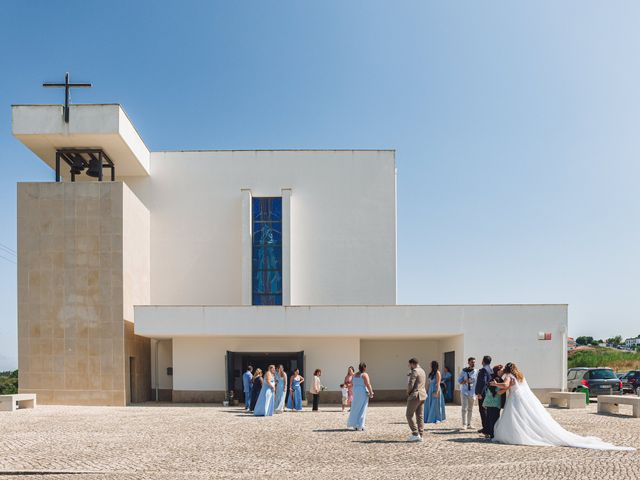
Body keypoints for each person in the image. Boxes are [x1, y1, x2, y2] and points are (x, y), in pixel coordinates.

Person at [493, 363, 634, 451]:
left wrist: (495, 385)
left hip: (515, 399)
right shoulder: (519, 376)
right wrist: (501, 390)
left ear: (507, 368)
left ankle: (517, 434)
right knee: (524, 417)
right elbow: (511, 386)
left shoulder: (507, 374)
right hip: (521, 398)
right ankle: (524, 431)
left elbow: (506, 385)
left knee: (515, 416)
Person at [406, 357, 427, 442]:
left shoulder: (414, 371)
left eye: (409, 364)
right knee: (420, 416)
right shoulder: (422, 370)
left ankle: (415, 433)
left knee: (409, 415)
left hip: (415, 395)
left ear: (412, 364)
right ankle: (420, 435)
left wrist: (408, 392)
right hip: (423, 395)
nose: (409, 366)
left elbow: (411, 384)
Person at [348, 362, 374, 431]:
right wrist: (371, 393)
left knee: (355, 408)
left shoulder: (354, 375)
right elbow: (368, 384)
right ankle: (360, 425)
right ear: (365, 368)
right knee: (363, 408)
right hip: (362, 392)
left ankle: (354, 424)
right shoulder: (365, 375)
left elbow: (353, 383)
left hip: (356, 392)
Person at [481, 365, 505, 439]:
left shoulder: (496, 378)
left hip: (492, 402)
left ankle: (488, 432)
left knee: (490, 417)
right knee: (493, 418)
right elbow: (495, 391)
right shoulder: (496, 379)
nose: (503, 371)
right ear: (498, 371)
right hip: (493, 402)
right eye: (502, 369)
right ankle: (492, 434)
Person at [457, 357, 477, 429]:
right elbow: (459, 381)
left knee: (470, 409)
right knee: (464, 408)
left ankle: (469, 424)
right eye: (472, 362)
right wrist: (466, 381)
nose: (473, 363)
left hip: (472, 392)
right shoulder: (464, 371)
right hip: (464, 392)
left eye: (474, 362)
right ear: (468, 362)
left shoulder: (476, 372)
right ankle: (464, 424)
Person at [424, 360, 445, 425]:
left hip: (436, 389)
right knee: (429, 403)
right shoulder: (431, 374)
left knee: (436, 404)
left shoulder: (437, 373)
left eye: (431, 365)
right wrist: (426, 391)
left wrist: (436, 392)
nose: (430, 366)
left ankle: (437, 418)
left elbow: (438, 383)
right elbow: (428, 383)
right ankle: (429, 417)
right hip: (430, 390)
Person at [475, 355, 492, 434]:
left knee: (482, 410)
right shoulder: (490, 369)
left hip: (483, 393)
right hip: (489, 392)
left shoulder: (483, 370)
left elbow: (482, 382)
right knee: (487, 411)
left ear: (483, 361)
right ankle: (487, 427)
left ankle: (485, 428)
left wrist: (479, 393)